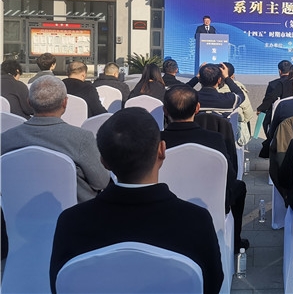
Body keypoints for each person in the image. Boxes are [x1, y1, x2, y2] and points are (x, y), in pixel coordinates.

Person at [49, 108, 223, 294]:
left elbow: (60, 285)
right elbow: (211, 285)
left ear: (103, 161)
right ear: (162, 150)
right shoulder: (195, 221)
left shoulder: (71, 222)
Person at [160, 85, 249, 253]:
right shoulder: (214, 139)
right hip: (209, 206)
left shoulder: (156, 141)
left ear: (165, 110)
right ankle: (235, 242)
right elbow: (229, 177)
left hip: (165, 209)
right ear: (197, 108)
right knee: (239, 187)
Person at [1, 76, 109, 202]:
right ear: (65, 103)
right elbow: (101, 182)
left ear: (29, 102)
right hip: (73, 211)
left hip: (17, 211)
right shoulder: (81, 139)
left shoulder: (6, 139)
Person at [218, 62, 254, 147]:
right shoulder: (239, 91)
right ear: (232, 76)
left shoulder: (212, 91)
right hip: (236, 134)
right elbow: (249, 114)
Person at [256, 60, 292, 139]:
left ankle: (270, 140)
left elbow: (268, 99)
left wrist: (261, 109)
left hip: (275, 114)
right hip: (292, 113)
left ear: (279, 71)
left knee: (266, 121)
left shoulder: (273, 84)